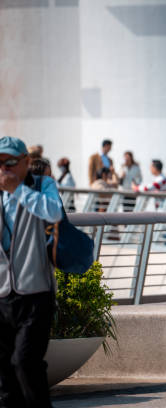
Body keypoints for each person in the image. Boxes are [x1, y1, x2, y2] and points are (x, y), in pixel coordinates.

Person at [0, 136, 63, 407]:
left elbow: (54, 212)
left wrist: (18, 191)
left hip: (36, 292)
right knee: (4, 374)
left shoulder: (42, 185)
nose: (5, 169)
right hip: (2, 295)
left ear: (26, 162)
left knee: (26, 363)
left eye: (10, 162)